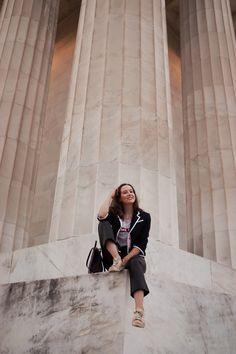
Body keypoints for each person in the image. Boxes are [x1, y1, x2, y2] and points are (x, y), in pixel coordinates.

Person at [97, 183, 151, 328]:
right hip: (113, 257)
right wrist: (110, 195)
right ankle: (116, 259)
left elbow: (141, 245)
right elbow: (101, 216)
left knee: (136, 262)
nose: (129, 193)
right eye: (125, 192)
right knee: (103, 224)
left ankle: (139, 312)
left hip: (131, 257)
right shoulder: (114, 215)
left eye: (131, 191)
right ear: (119, 197)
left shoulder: (144, 217)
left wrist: (125, 259)